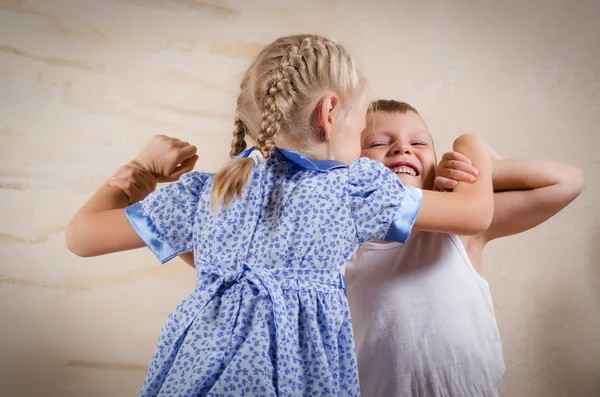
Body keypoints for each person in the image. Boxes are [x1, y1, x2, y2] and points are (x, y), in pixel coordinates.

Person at [65, 35, 494, 397]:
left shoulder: (207, 193)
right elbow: (475, 214)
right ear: (330, 114)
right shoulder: (354, 189)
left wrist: (140, 172)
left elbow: (81, 237)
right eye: (362, 117)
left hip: (196, 377)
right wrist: (473, 147)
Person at [345, 100, 584, 396]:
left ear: (436, 166)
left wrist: (484, 165)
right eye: (378, 143)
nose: (402, 148)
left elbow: (567, 182)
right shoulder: (344, 250)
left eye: (418, 142)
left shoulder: (458, 231)